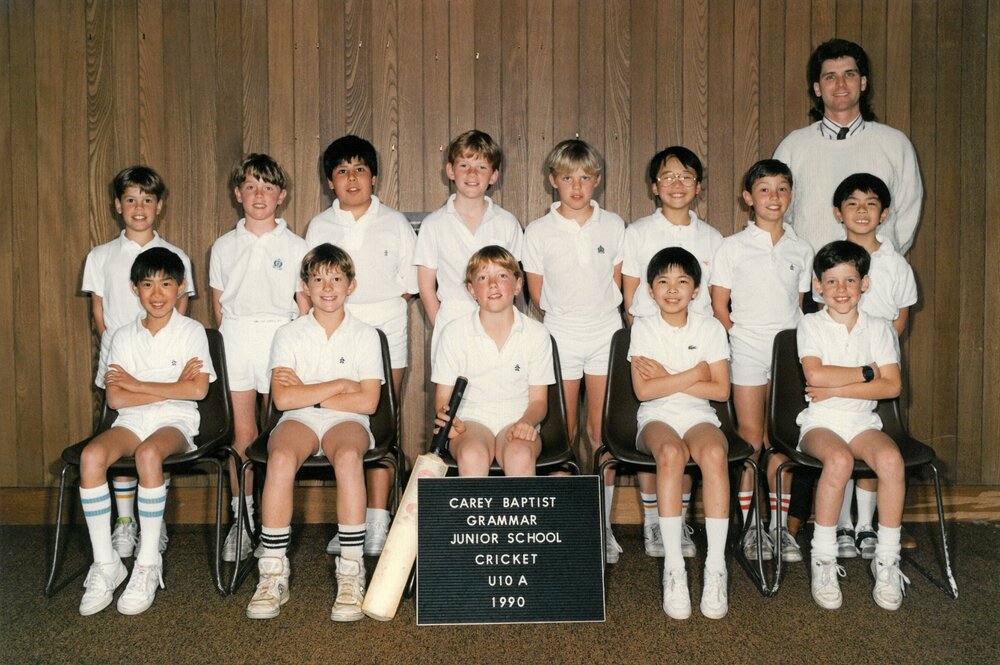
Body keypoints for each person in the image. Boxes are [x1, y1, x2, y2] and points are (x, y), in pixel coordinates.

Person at [245, 244, 383, 622]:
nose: (327, 287)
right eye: (318, 278)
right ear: (305, 286)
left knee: (349, 456)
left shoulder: (366, 334)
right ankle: (273, 571)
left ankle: (352, 571)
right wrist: (339, 384)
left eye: (336, 278)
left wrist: (312, 391)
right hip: (298, 419)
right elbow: (284, 397)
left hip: (345, 422)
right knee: (282, 457)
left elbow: (368, 402)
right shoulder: (288, 334)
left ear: (351, 285)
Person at [78, 247, 215, 616]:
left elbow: (197, 391)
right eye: (148, 284)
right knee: (92, 457)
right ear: (134, 289)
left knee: (149, 455)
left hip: (176, 419)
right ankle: (107, 564)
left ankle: (148, 563)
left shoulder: (191, 332)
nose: (157, 294)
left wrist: (137, 383)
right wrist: (168, 383)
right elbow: (116, 397)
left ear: (180, 287)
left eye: (166, 284)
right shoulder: (122, 336)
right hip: (132, 419)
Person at [305, 135, 417, 557]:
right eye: (341, 171)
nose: (352, 179)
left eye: (360, 170)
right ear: (330, 182)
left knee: (382, 421)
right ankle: (349, 519)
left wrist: (375, 316)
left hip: (386, 326)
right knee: (341, 420)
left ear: (374, 177)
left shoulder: (396, 222)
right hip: (335, 331)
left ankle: (377, 519)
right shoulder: (319, 226)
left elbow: (409, 285)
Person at [81, 166, 196, 561]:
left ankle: (154, 522)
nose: (139, 207)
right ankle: (126, 523)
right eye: (130, 199)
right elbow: (100, 314)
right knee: (122, 438)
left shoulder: (176, 256)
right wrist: (119, 361)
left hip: (162, 363)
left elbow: (179, 311)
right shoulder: (100, 256)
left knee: (155, 442)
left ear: (159, 206)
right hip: (121, 359)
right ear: (117, 206)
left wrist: (149, 376)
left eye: (147, 199)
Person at [787, 240, 909, 611]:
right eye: (832, 281)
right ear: (818, 286)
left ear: (865, 284)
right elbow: (814, 374)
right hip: (820, 422)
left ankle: (886, 559)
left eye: (850, 280)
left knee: (891, 462)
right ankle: (823, 558)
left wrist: (839, 385)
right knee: (837, 461)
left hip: (861, 421)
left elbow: (892, 385)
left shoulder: (879, 327)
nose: (841, 290)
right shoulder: (810, 324)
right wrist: (868, 372)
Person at [522, 139, 625, 562]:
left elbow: (618, 284)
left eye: (585, 178)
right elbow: (537, 294)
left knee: (601, 434)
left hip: (605, 333)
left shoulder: (614, 225)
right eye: (567, 178)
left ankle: (601, 527)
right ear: (553, 182)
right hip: (561, 334)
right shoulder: (538, 230)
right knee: (560, 435)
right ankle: (562, 523)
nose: (577, 186)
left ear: (597, 181)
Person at [710, 159, 814, 563]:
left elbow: (799, 305)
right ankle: (752, 527)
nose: (774, 197)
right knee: (752, 438)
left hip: (788, 353)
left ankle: (779, 528)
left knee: (782, 440)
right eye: (765, 189)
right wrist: (739, 340)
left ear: (791, 196)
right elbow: (720, 305)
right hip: (747, 348)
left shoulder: (801, 248)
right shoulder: (732, 246)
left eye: (782, 188)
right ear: (748, 197)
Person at [622, 146, 722, 560]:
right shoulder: (638, 232)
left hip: (698, 346)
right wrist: (652, 357)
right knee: (665, 445)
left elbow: (714, 300)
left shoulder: (712, 238)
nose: (677, 184)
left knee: (697, 441)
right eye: (668, 176)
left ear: (698, 186)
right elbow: (631, 297)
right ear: (654, 186)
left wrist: (685, 369)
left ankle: (678, 523)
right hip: (652, 345)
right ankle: (653, 522)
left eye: (686, 177)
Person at [210, 154, 308, 562]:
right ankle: (242, 521)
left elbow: (303, 305)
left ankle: (273, 525)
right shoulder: (222, 246)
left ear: (281, 196)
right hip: (237, 337)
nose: (259, 195)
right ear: (238, 194)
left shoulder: (298, 246)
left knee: (280, 436)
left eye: (268, 187)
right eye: (250, 186)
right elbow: (219, 307)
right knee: (243, 436)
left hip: (279, 335)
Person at [818, 173, 917, 560]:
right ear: (838, 213)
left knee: (874, 438)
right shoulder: (829, 257)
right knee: (840, 443)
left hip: (877, 370)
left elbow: (899, 323)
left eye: (871, 203)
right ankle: (842, 522)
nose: (862, 210)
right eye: (853, 203)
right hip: (837, 370)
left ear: (885, 213)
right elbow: (822, 313)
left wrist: (873, 367)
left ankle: (865, 525)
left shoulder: (897, 265)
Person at [629, 247, 731, 620]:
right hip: (656, 417)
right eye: (663, 282)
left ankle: (715, 568)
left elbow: (721, 391)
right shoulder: (643, 326)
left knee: (715, 455)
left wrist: (667, 377)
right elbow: (645, 392)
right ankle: (675, 569)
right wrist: (694, 373)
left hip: (699, 415)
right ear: (651, 291)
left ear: (697, 289)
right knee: (671, 454)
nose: (673, 290)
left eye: (682, 281)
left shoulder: (710, 328)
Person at [773, 38, 923, 254]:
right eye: (830, 77)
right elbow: (779, 215)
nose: (840, 84)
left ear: (863, 82)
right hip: (814, 279)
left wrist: (882, 262)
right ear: (817, 88)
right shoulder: (793, 147)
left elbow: (908, 213)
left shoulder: (895, 144)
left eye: (849, 75)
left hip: (877, 279)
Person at [432, 246, 554, 477]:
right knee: (472, 455)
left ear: (518, 285)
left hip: (518, 417)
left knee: (519, 455)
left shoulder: (537, 334)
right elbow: (442, 398)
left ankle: (519, 515)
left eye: (502, 276)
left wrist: (527, 422)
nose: (493, 284)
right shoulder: (454, 333)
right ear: (472, 290)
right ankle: (474, 515)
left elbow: (539, 401)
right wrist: (450, 419)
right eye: (482, 277)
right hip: (471, 420)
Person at [414, 130, 524, 361]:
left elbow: (512, 280)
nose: (472, 173)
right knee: (451, 395)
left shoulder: (507, 222)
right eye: (464, 165)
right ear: (450, 171)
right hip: (452, 318)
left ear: (494, 176)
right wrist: (443, 327)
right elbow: (426, 287)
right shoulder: (433, 224)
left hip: (498, 321)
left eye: (482, 167)